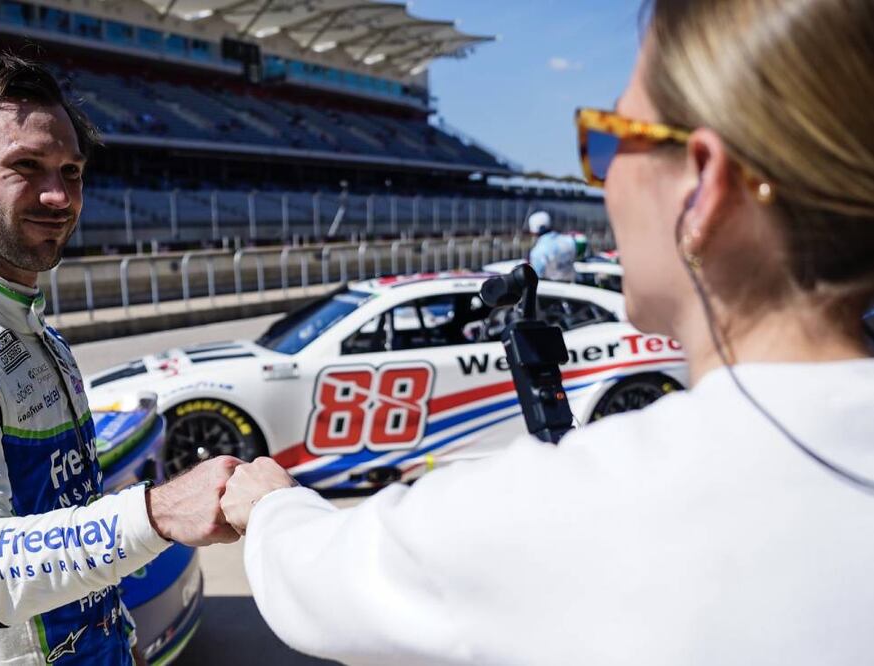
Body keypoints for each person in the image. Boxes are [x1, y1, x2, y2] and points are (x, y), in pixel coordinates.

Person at [220, 0, 874, 663]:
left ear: (701, 184)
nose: (603, 180)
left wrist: (270, 505)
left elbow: (318, 582)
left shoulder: (570, 509)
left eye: (605, 141)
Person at [0, 55, 241, 666]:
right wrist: (158, 512)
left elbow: (67, 522)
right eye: (25, 167)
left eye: (71, 171)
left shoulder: (33, 333)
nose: (59, 196)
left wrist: (123, 640)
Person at [526, 210, 577, 281]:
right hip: (572, 285)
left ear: (533, 231)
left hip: (550, 287)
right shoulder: (569, 240)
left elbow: (537, 278)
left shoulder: (538, 251)